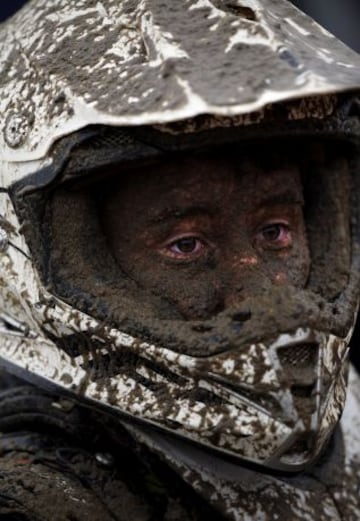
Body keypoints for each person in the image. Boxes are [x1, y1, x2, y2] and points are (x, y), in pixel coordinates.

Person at [0, 0, 360, 519]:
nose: (264, 298)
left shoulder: (344, 401)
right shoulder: (42, 497)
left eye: (275, 231)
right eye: (186, 245)